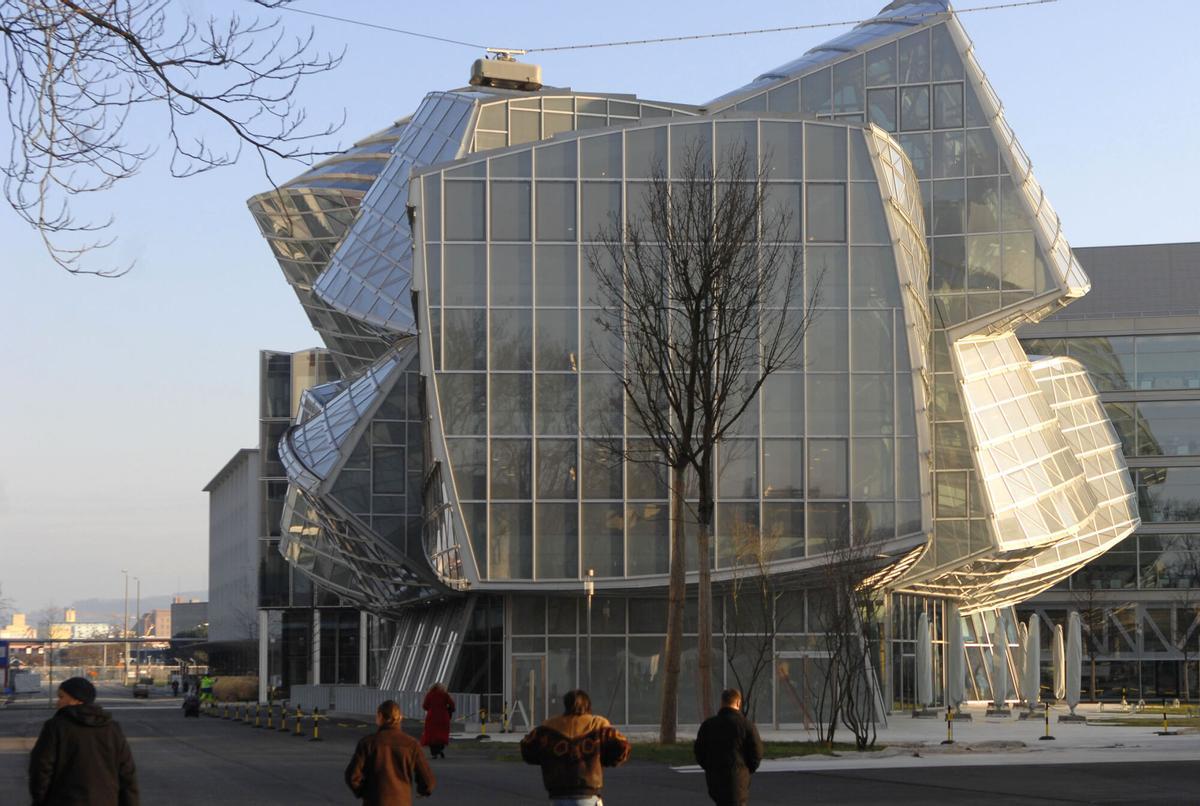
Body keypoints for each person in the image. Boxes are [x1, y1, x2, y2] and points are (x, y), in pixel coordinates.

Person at [28, 676, 140, 806]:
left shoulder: (56, 727)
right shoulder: (112, 729)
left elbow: (41, 768)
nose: (57, 703)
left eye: (61, 697)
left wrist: (40, 799)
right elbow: (127, 773)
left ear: (76, 699)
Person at [521, 689, 630, 806]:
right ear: (588, 705)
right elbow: (622, 748)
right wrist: (604, 759)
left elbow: (527, 749)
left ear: (565, 704)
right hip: (588, 796)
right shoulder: (598, 725)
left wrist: (547, 759)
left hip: (557, 797)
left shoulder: (549, 726)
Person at [345, 700, 436, 806]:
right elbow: (428, 779)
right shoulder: (411, 744)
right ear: (400, 718)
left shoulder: (368, 743)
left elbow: (352, 775)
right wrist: (424, 790)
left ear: (380, 716)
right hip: (402, 801)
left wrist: (365, 792)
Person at [693, 688, 764, 806]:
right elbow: (757, 752)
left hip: (715, 777)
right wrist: (747, 769)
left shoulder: (708, 725)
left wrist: (709, 766)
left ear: (722, 702)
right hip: (738, 777)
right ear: (738, 702)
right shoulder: (746, 725)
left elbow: (699, 751)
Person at [420, 683, 454, 759]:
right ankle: (440, 749)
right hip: (443, 717)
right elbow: (452, 705)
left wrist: (431, 708)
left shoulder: (429, 695)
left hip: (432, 717)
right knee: (442, 734)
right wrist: (448, 709)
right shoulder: (445, 695)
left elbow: (425, 706)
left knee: (432, 735)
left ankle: (434, 752)